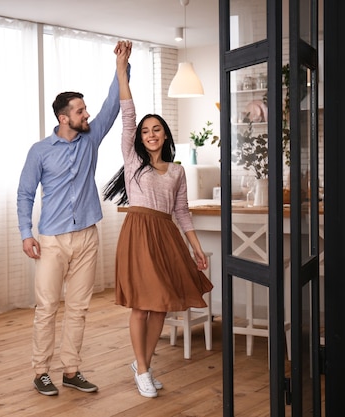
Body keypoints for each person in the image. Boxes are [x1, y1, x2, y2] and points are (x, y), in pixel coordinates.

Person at [17, 41, 132, 396]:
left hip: (87, 237)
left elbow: (114, 104)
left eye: (85, 110)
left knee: (79, 308)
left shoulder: (90, 139)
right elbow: (25, 194)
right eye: (80, 112)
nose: (87, 115)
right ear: (63, 118)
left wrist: (122, 65)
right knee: (48, 307)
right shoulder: (39, 151)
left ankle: (71, 370)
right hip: (51, 240)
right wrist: (26, 233)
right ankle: (41, 371)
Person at [102, 43, 213, 398]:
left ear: (165, 135)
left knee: (162, 305)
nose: (150, 134)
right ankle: (144, 369)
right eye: (145, 131)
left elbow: (182, 213)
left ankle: (142, 365)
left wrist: (197, 249)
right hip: (138, 233)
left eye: (156, 130)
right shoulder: (134, 163)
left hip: (166, 235)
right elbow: (128, 112)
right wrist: (122, 68)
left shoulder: (177, 171)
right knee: (141, 305)